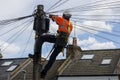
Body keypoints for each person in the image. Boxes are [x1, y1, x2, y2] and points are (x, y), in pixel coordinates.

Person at [30, 12, 73, 79]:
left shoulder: (62, 20)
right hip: (63, 42)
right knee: (52, 57)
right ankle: (44, 73)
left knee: (41, 38)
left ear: (64, 16)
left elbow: (53, 17)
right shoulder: (70, 24)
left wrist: (48, 15)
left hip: (58, 38)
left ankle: (37, 55)